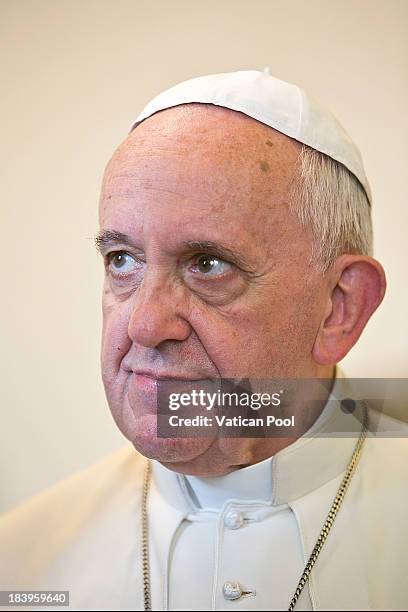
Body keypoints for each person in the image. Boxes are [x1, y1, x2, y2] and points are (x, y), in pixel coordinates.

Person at [0, 69, 407, 611]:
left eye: (208, 265)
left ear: (339, 307)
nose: (144, 325)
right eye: (122, 260)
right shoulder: (23, 557)